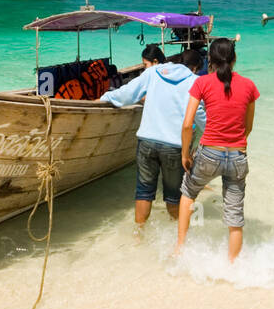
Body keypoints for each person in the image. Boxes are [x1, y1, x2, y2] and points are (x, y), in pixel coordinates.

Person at [99, 45, 206, 226]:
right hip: (174, 147)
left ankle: (139, 237)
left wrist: (104, 98)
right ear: (193, 68)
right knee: (173, 197)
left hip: (146, 141)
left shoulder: (153, 72)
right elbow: (200, 115)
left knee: (143, 192)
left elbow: (126, 94)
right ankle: (177, 239)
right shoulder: (195, 81)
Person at [175, 38, 258, 261]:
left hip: (209, 152)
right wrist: (235, 145)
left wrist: (185, 154)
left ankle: (180, 249)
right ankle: (232, 265)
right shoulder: (249, 86)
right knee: (234, 215)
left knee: (188, 193)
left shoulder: (202, 83)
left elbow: (187, 124)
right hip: (238, 154)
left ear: (209, 60)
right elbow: (248, 127)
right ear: (235, 58)